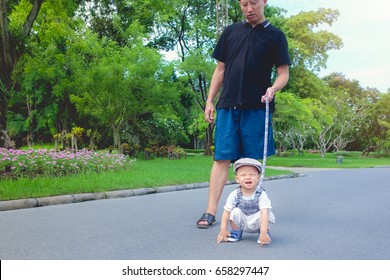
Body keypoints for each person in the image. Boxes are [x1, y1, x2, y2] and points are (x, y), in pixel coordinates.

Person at [196, 0, 290, 228]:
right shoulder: (231, 32)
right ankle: (210, 212)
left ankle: (249, 210)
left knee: (249, 162)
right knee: (221, 158)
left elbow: (283, 73)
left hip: (257, 107)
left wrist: (273, 89)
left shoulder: (276, 36)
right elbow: (220, 69)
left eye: (254, 3)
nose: (249, 9)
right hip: (228, 104)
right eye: (244, 4)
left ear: (264, 2)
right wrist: (210, 100)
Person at [216, 158, 275, 245]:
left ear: (258, 178)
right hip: (243, 222)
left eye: (252, 174)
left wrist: (263, 232)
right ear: (237, 179)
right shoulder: (235, 194)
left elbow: (264, 212)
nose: (248, 177)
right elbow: (226, 211)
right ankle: (236, 232)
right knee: (234, 211)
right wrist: (223, 229)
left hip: (257, 222)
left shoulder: (261, 194)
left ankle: (263, 234)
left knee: (265, 212)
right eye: (243, 175)